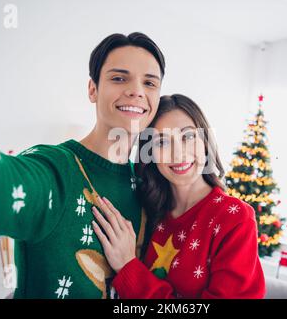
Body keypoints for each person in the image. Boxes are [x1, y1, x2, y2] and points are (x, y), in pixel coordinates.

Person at [0, 32, 165, 298]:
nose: (136, 91)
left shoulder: (148, 184)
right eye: (118, 78)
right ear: (93, 89)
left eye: (150, 83)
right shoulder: (56, 169)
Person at [92, 94, 266, 298]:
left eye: (188, 137)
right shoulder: (146, 210)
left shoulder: (234, 218)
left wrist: (128, 268)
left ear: (205, 141)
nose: (178, 153)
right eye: (162, 143)